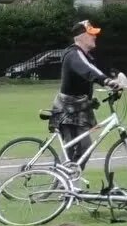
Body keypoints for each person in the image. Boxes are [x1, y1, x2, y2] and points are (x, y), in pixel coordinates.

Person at [51, 20, 121, 163]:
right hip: (68, 109)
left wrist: (111, 80)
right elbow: (88, 70)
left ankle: (68, 180)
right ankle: (61, 182)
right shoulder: (73, 54)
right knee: (74, 149)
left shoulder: (85, 55)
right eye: (91, 34)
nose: (95, 37)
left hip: (79, 107)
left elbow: (93, 70)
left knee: (83, 148)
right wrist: (106, 81)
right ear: (81, 36)